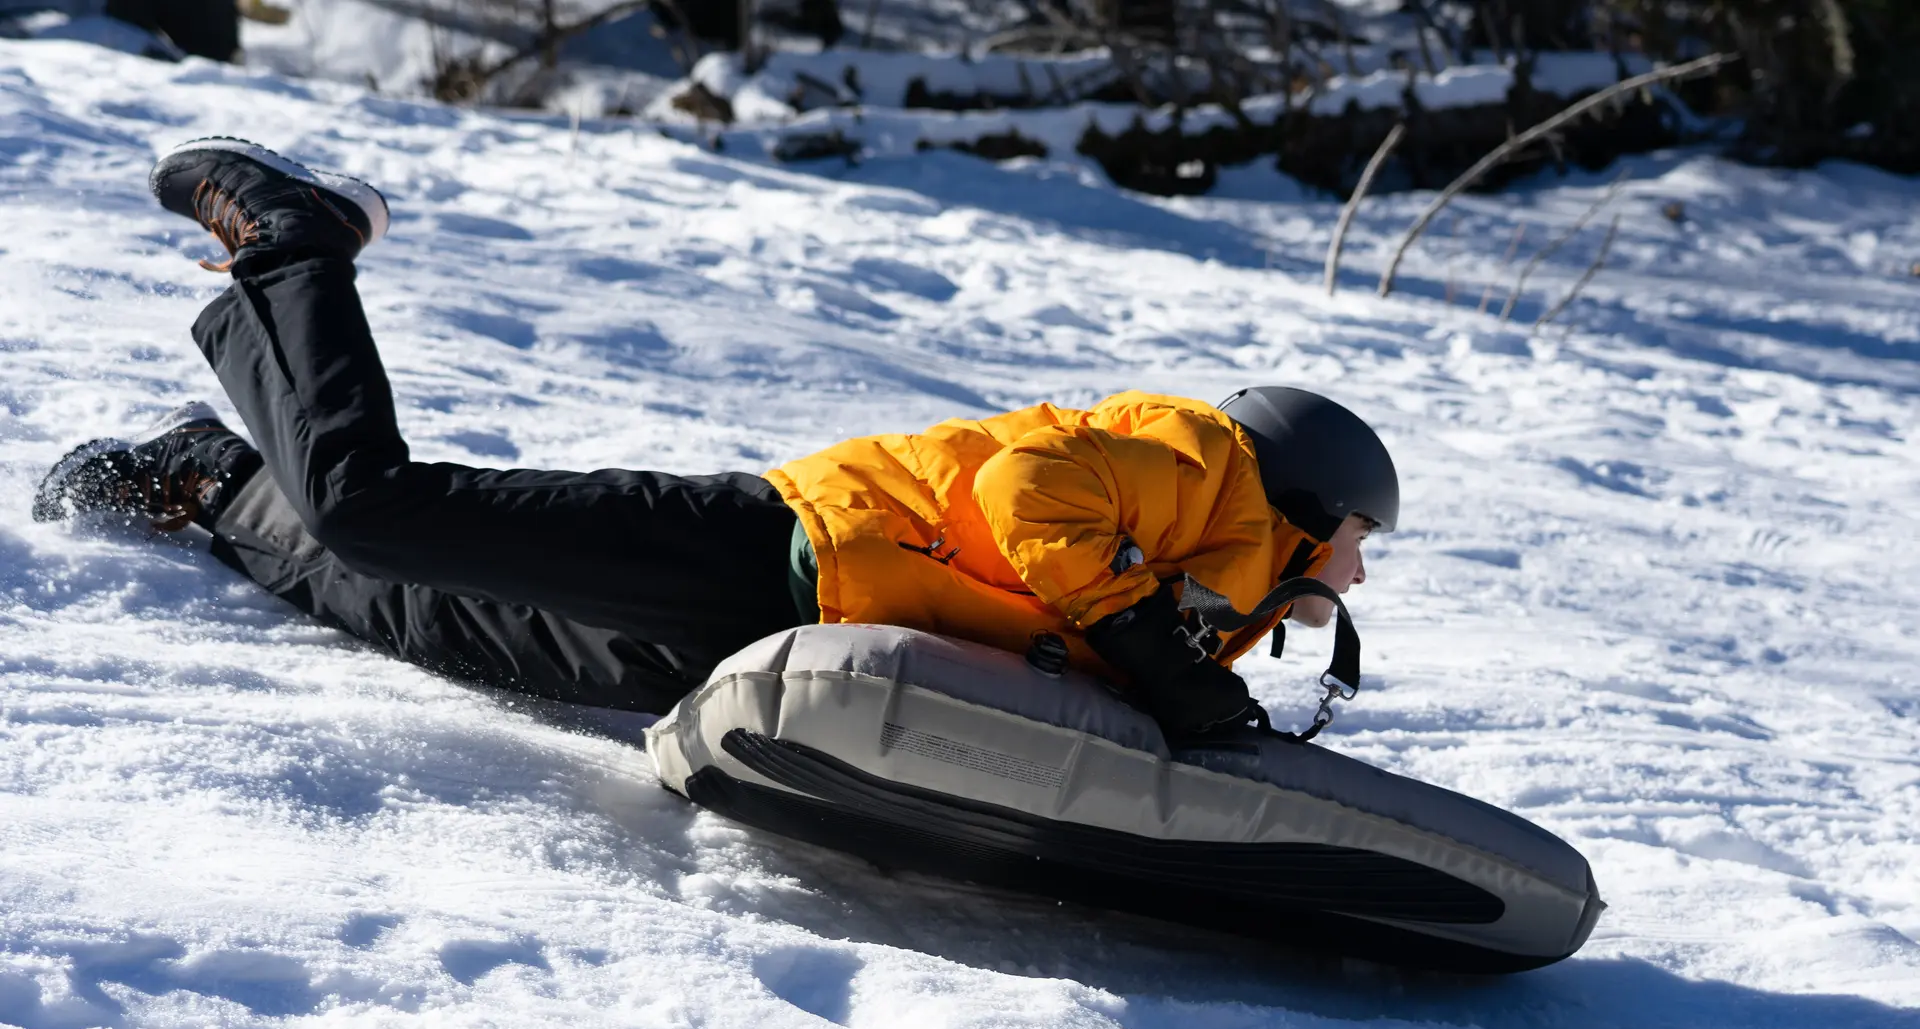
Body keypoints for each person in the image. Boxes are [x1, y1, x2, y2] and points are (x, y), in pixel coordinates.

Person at [33, 138, 1398, 740]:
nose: (1351, 578)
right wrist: (1159, 651)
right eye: (1357, 546)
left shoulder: (1206, 590)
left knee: (418, 610)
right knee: (382, 513)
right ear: (1315, 496)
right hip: (762, 556)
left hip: (758, 648)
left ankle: (206, 477)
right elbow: (1028, 488)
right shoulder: (1191, 462)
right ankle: (293, 237)